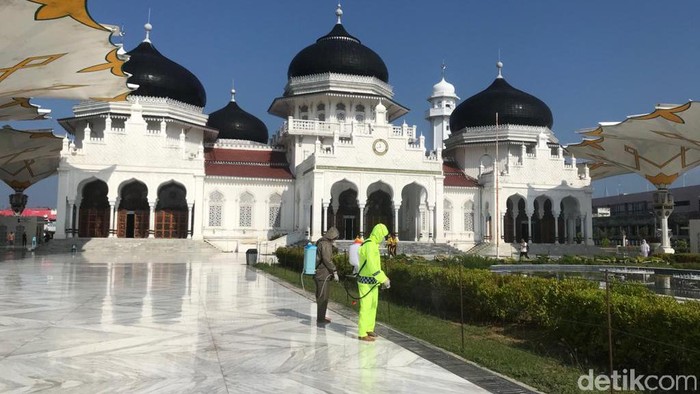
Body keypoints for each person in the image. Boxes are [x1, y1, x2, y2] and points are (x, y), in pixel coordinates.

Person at [357, 223, 390, 342]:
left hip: (373, 281)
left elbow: (376, 265)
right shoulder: (370, 245)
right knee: (365, 306)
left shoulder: (373, 245)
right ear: (378, 234)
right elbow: (371, 266)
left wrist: (382, 278)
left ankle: (369, 328)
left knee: (373, 305)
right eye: (383, 235)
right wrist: (383, 279)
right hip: (365, 281)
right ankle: (362, 333)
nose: (383, 238)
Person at [315, 226, 339, 325]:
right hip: (322, 274)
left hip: (320, 273)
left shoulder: (321, 242)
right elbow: (327, 260)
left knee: (321, 296)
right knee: (323, 297)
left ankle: (321, 315)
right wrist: (335, 271)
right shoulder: (326, 244)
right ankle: (320, 319)